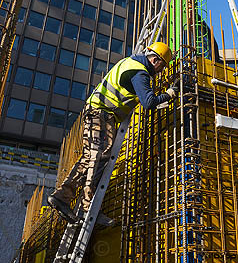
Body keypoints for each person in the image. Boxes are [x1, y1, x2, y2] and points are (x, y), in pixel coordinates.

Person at [48, 42, 178, 226]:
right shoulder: (140, 72)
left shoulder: (130, 62)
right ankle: (88, 210)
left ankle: (62, 196)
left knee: (89, 158)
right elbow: (149, 102)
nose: (160, 71)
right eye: (162, 67)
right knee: (100, 158)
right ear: (155, 61)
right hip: (102, 115)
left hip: (95, 112)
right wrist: (169, 93)